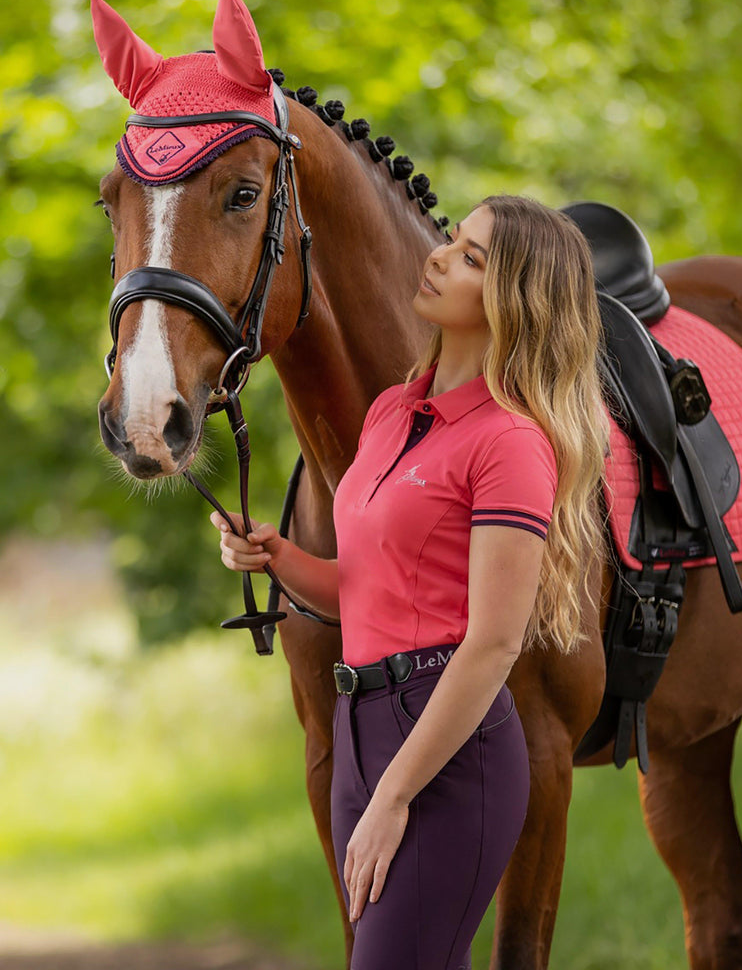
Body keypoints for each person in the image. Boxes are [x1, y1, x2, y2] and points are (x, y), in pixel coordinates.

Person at [211, 194, 608, 969]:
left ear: (513, 301)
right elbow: (366, 590)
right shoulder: (395, 410)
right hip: (362, 730)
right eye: (453, 239)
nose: (437, 255)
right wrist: (278, 558)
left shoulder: (511, 443)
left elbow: (493, 645)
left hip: (448, 754)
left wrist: (396, 795)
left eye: (471, 258)